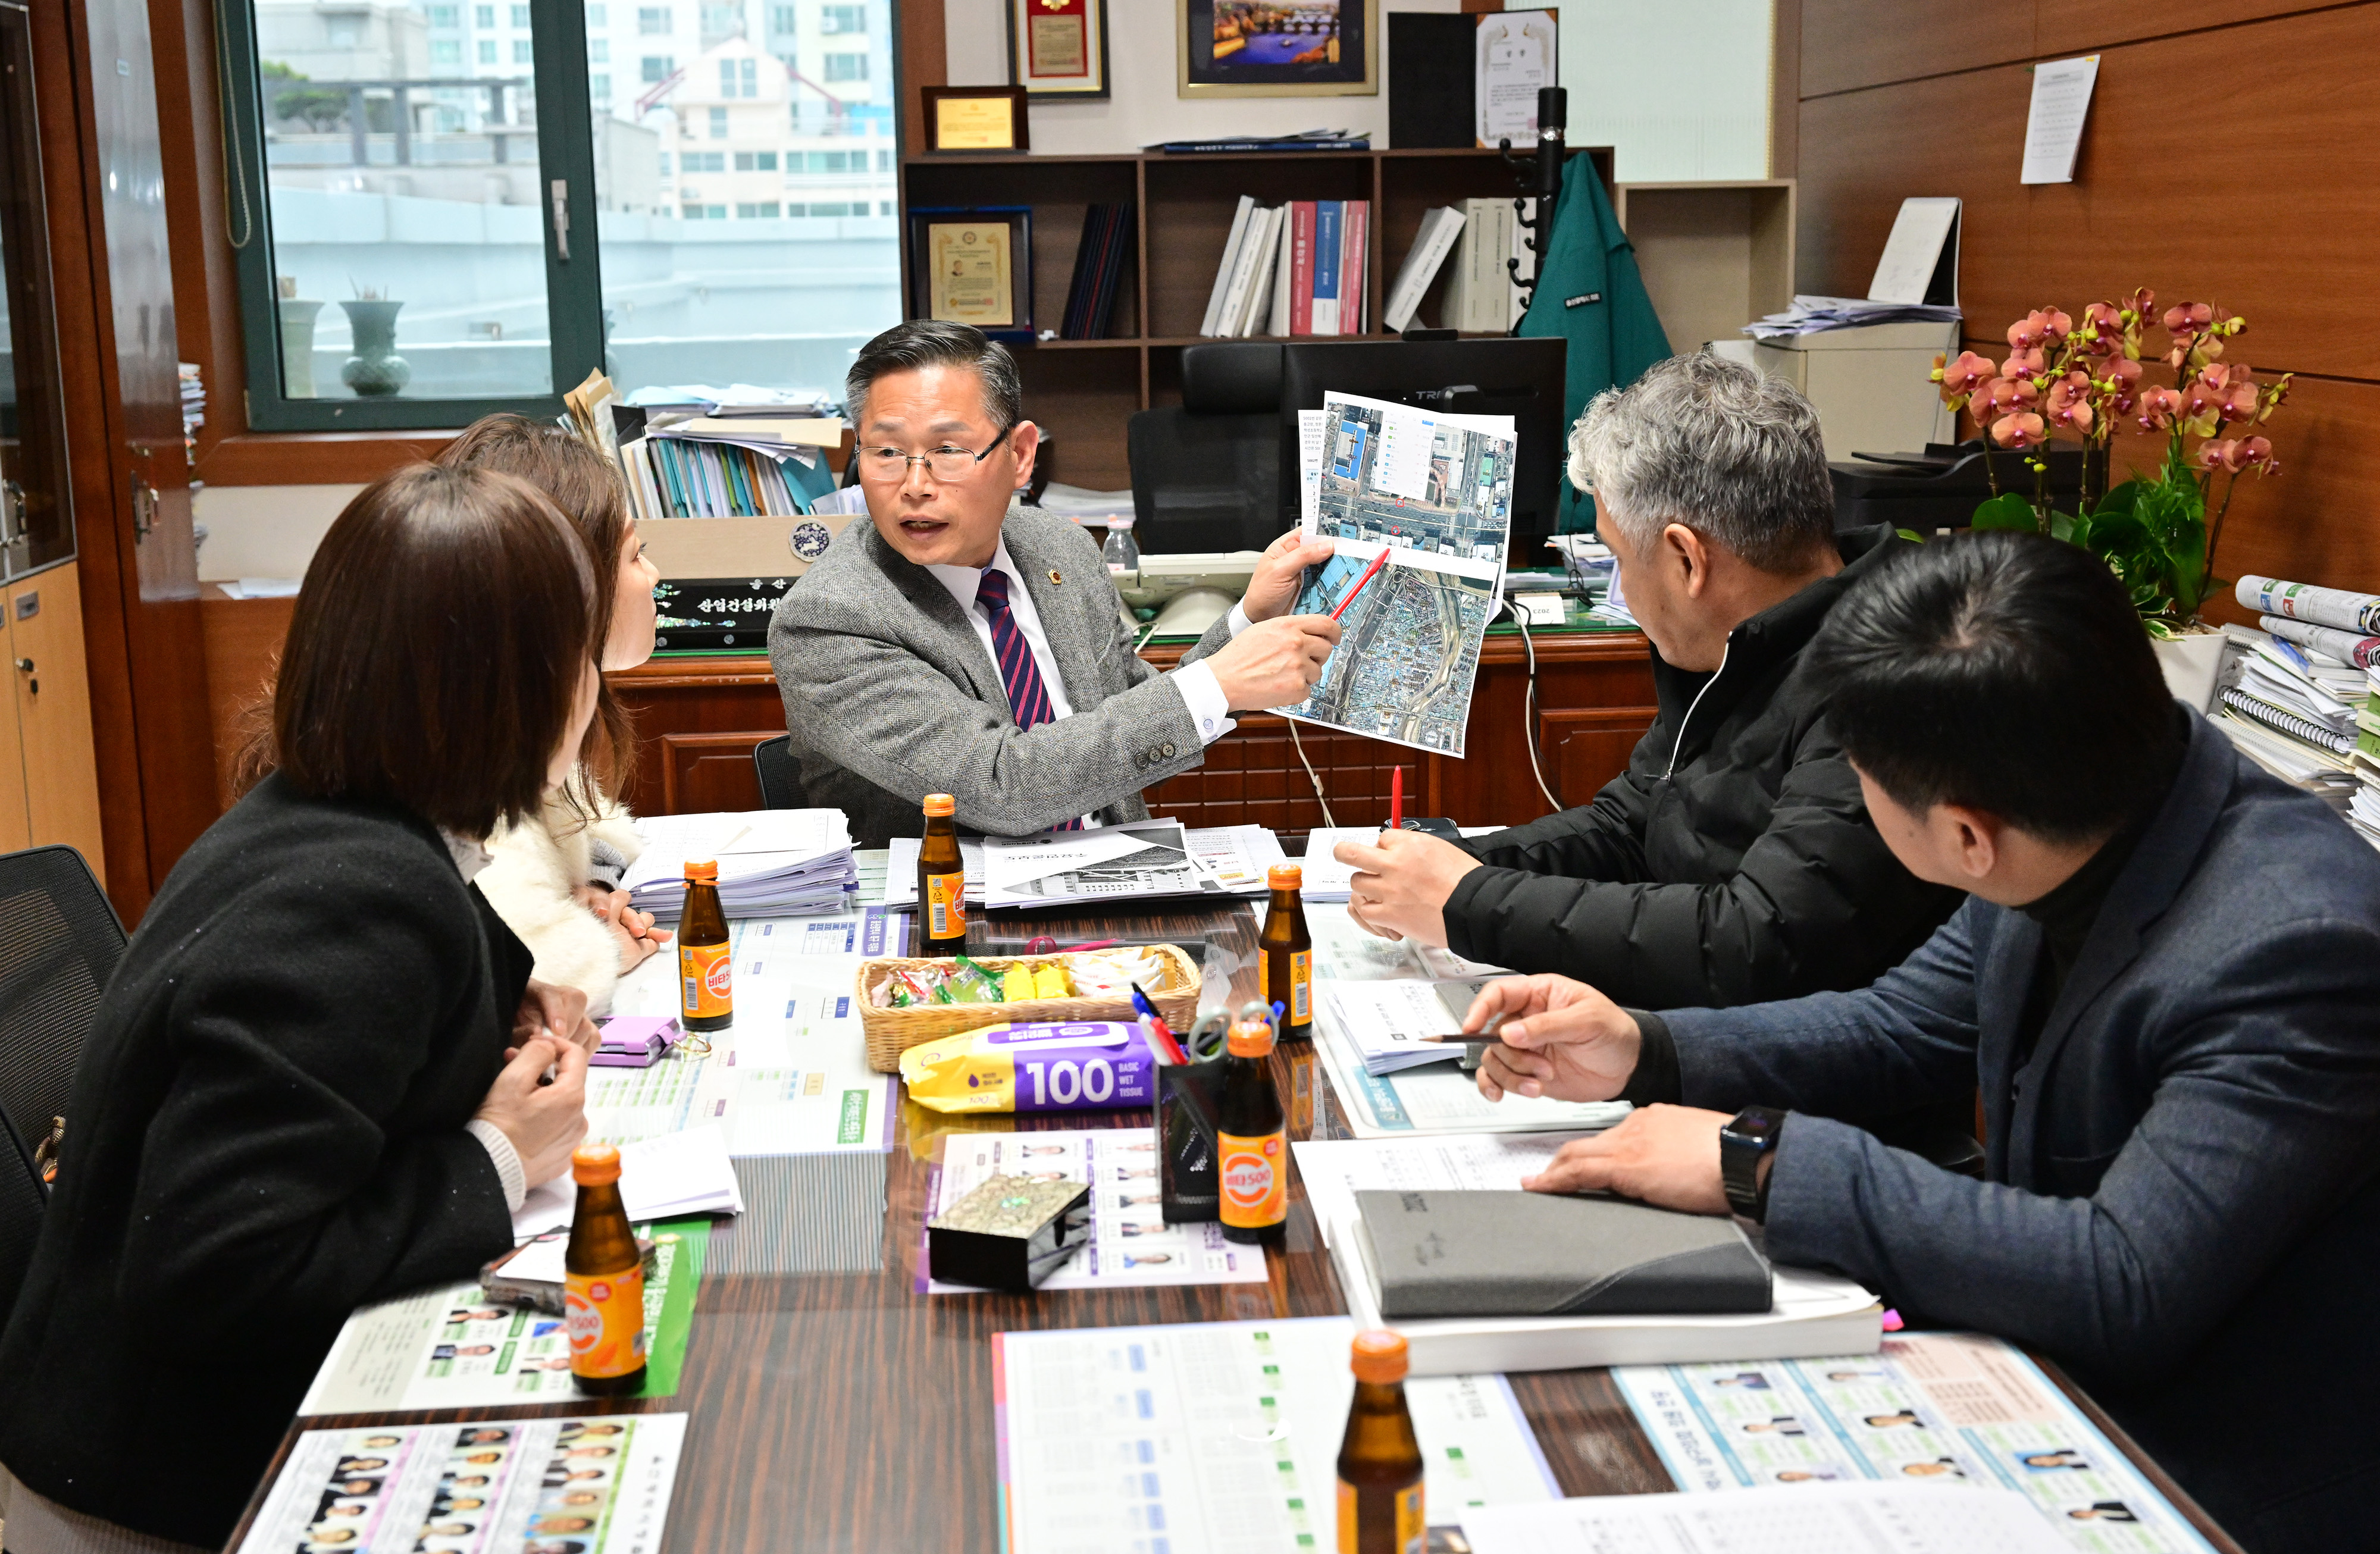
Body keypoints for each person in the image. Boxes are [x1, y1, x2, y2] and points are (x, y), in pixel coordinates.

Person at [1457, 532, 2380, 1552]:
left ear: (1969, 838)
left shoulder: (2299, 947)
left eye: (1863, 780)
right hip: (2047, 1385)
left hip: (2218, 1480)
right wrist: (1644, 1046)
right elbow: (1906, 1021)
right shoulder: (2089, 795)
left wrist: (1757, 1160)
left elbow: (2126, 1276)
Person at [0, 465, 602, 1552]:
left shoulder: (325, 817)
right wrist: (499, 1155)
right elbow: (216, 1274)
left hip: (154, 1430)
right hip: (161, 1491)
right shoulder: (363, 897)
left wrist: (492, 999)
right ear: (529, 688)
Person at [1335, 353, 1963, 1010]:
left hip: (1799, 1089)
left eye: (1614, 556)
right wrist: (1455, 863)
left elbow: (1756, 939)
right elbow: (1634, 826)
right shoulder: (1744, 641)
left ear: (1687, 558)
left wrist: (1471, 901)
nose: (1621, 589)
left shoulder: (1887, 678)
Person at [770, 319, 1345, 846]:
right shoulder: (830, 618)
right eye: (888, 452)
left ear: (1021, 455)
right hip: (949, 926)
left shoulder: (1059, 547)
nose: (915, 485)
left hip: (1111, 880)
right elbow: (1002, 786)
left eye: (947, 450)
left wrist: (1251, 617)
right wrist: (1219, 684)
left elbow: (1129, 711)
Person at [441, 415, 671, 1013]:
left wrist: (590, 886)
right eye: (635, 554)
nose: (653, 576)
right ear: (574, 588)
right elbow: (534, 972)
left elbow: (584, 841)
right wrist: (599, 942)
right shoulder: (474, 777)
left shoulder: (498, 702)